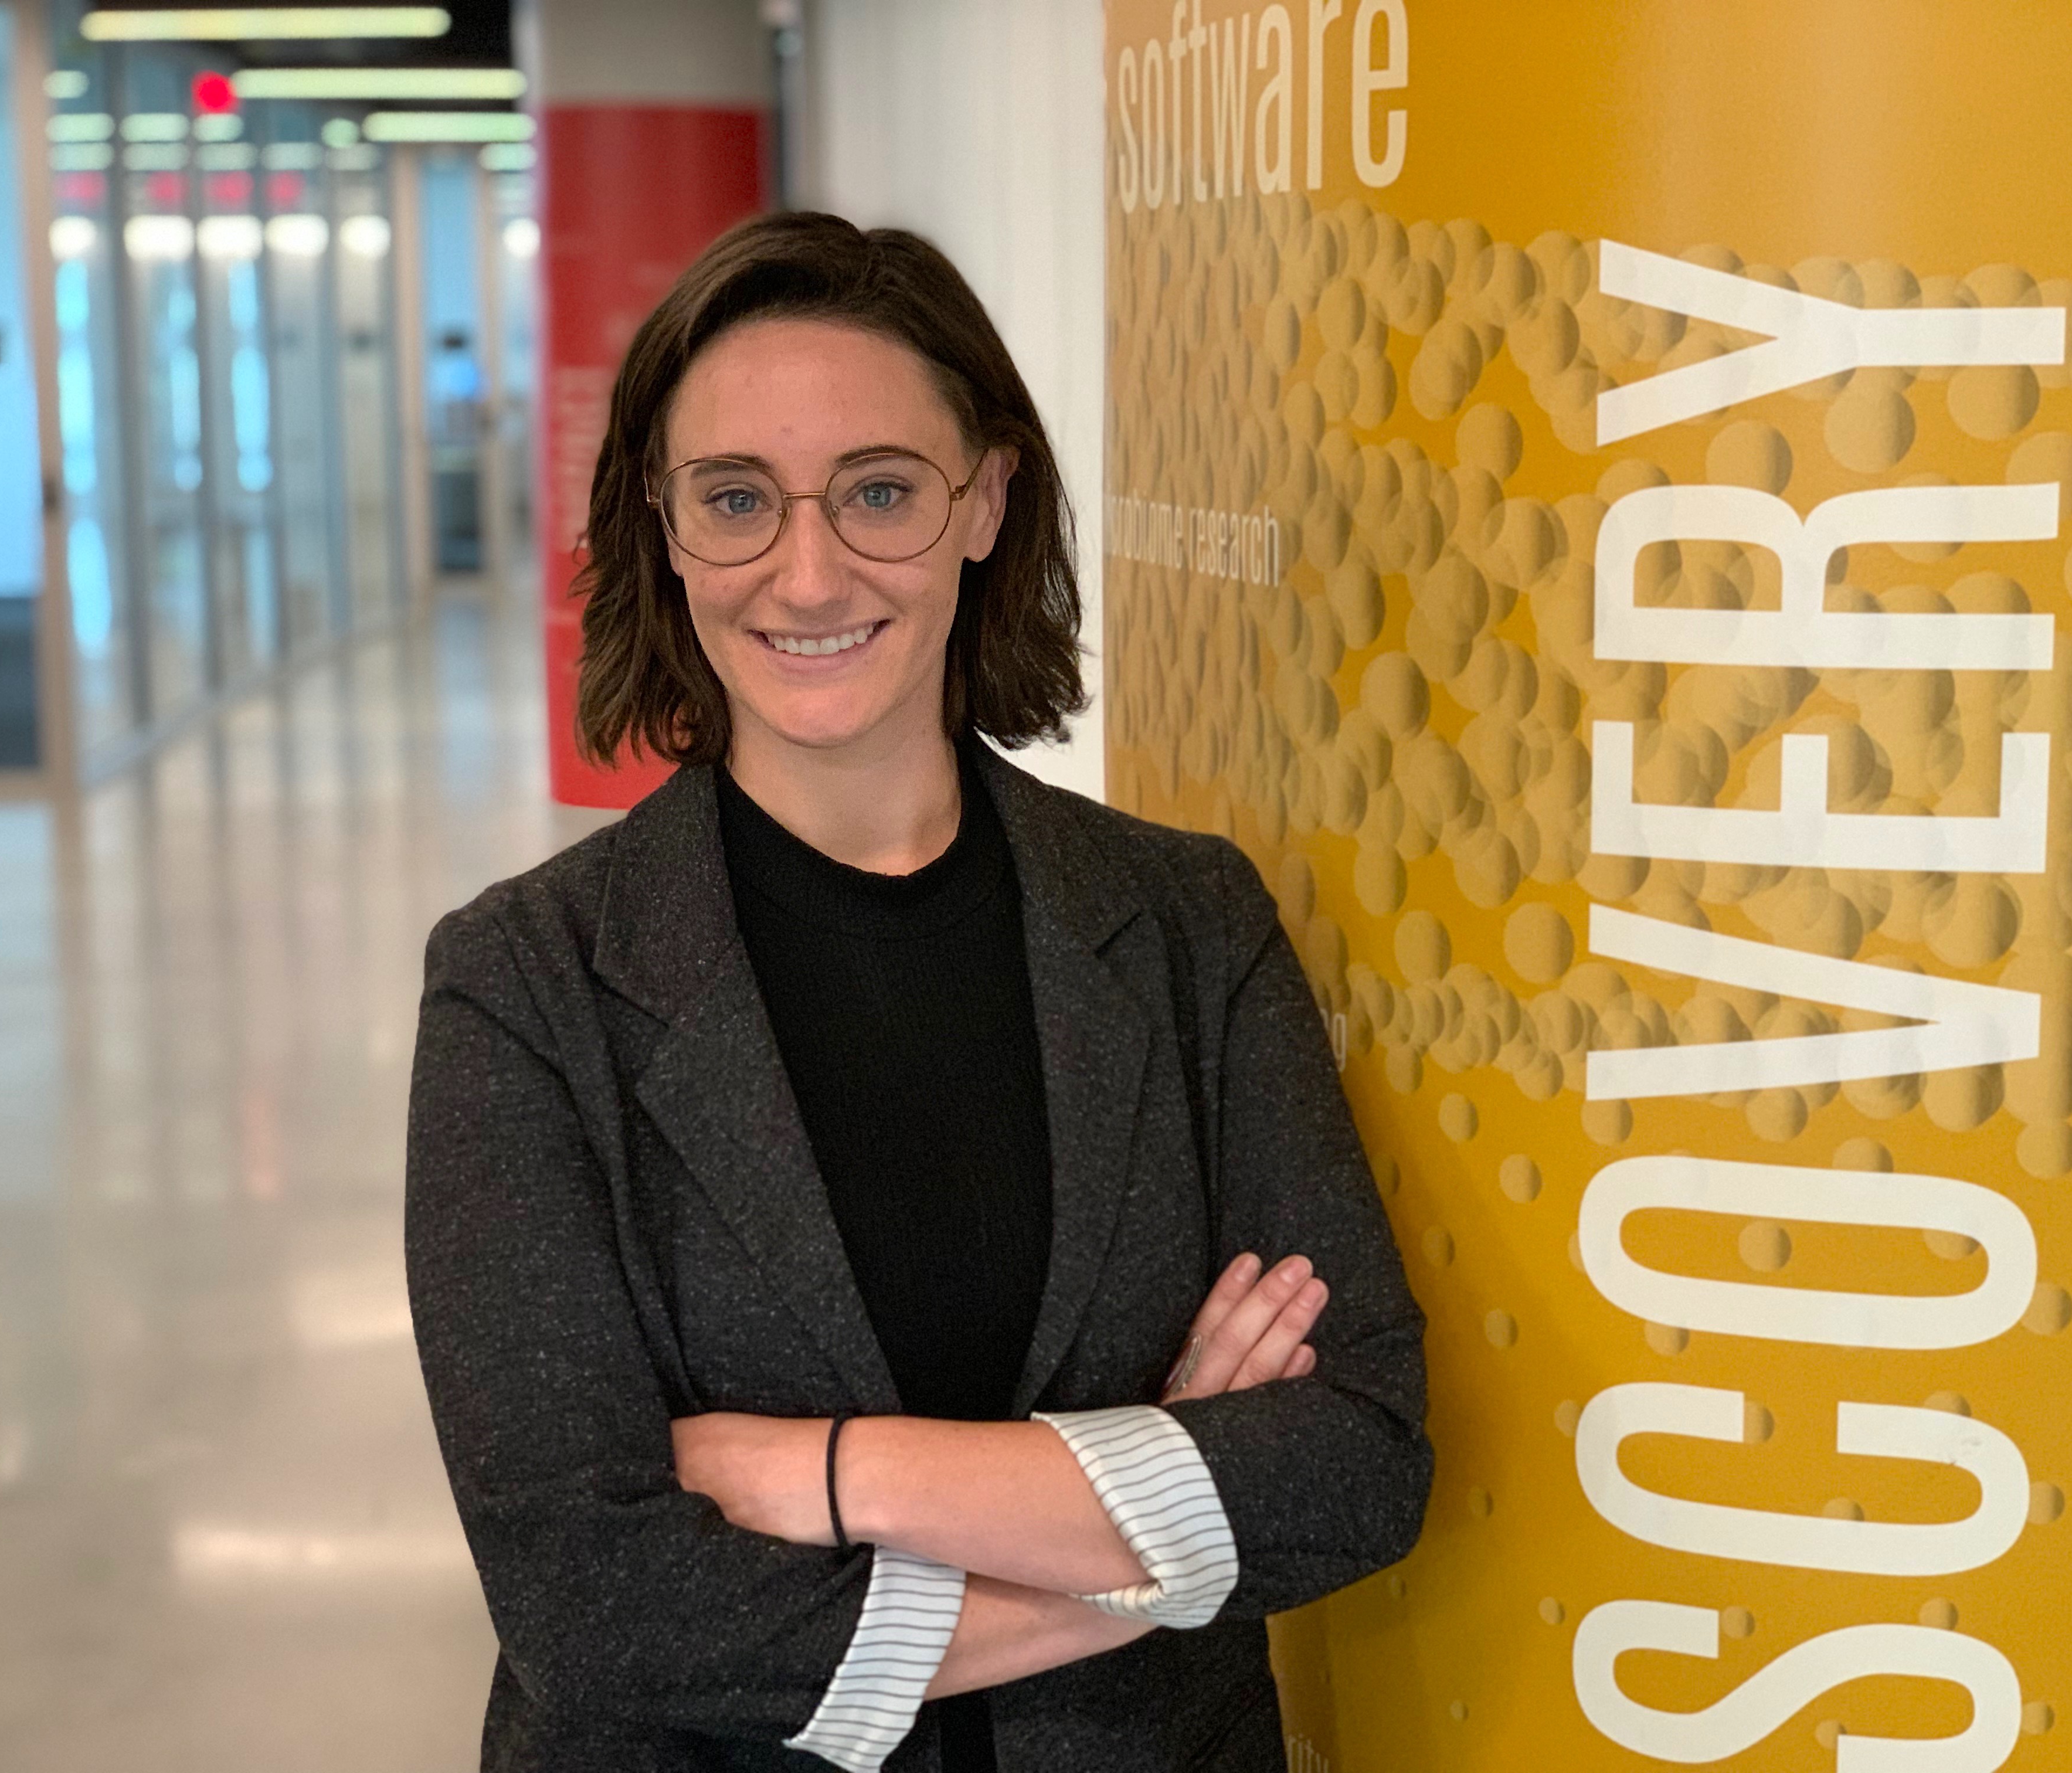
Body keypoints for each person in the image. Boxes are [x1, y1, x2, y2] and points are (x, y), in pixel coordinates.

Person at [404, 211, 1430, 1773]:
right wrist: (1159, 1542)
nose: (806, 573)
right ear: (663, 530)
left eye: (880, 492)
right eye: (736, 500)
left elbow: (1356, 1457)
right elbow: (595, 1603)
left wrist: (826, 1475)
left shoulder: (1185, 924)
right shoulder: (526, 986)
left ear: (985, 503)